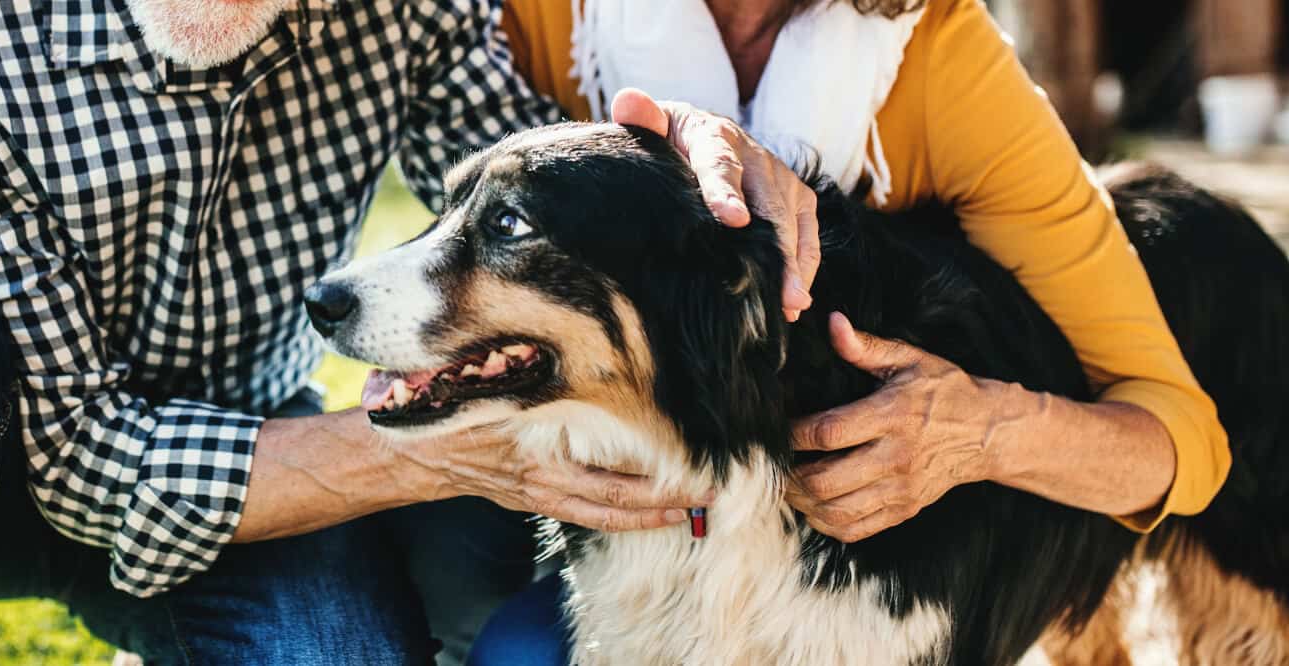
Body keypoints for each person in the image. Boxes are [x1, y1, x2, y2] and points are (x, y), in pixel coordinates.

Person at [0, 0, 814, 663]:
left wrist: (685, 150)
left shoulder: (405, 11)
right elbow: (82, 465)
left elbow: (540, 192)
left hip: (254, 469)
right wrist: (452, 452)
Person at [470, 0, 1233, 660]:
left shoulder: (940, 52)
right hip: (620, 529)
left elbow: (1177, 445)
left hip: (850, 563)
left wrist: (978, 431)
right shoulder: (538, 19)